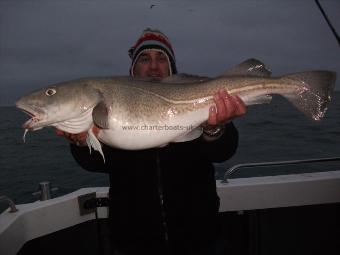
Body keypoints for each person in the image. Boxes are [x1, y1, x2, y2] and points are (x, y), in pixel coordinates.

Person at [57, 28, 246, 255]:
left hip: (200, 237)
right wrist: (81, 142)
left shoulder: (200, 100)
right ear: (133, 69)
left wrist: (215, 127)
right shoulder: (110, 110)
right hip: (132, 242)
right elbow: (96, 164)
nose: (154, 66)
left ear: (171, 67)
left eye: (161, 59)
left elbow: (223, 153)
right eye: (145, 59)